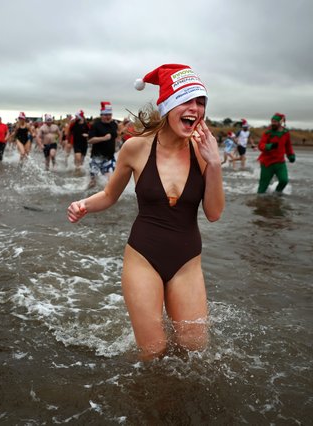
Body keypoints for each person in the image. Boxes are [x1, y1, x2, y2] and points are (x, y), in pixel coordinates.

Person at [67, 64, 224, 360]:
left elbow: (214, 213)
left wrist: (214, 164)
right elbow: (110, 195)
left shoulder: (203, 151)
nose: (195, 109)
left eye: (200, 102)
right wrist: (84, 205)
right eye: (186, 101)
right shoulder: (136, 148)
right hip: (143, 258)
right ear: (167, 105)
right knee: (154, 352)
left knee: (194, 350)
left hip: (187, 263)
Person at [257, 113, 295, 194]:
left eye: (275, 122)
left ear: (280, 122)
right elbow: (260, 145)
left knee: (284, 180)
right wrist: (269, 146)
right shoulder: (268, 133)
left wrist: (290, 155)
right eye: (272, 121)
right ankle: (259, 200)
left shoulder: (285, 133)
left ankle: (277, 194)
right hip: (267, 162)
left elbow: (288, 146)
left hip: (280, 162)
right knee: (263, 186)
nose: (273, 123)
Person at [87, 101, 118, 188]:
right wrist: (103, 138)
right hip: (96, 158)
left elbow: (115, 137)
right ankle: (88, 198)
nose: (108, 117)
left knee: (111, 181)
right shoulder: (96, 125)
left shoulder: (114, 124)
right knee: (93, 183)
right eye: (106, 115)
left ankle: (108, 198)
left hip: (109, 158)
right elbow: (90, 140)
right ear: (101, 115)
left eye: (109, 115)